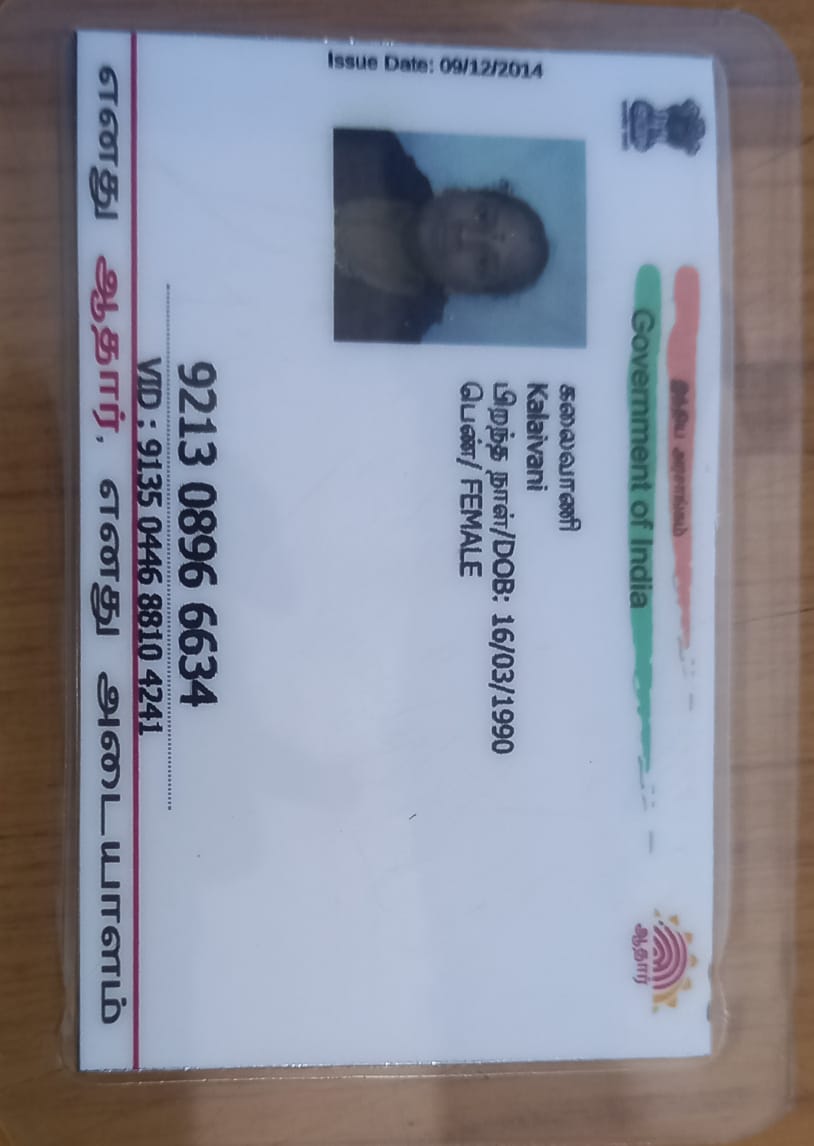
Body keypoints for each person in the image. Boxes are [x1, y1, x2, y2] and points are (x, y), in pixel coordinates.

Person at [334, 129, 550, 343]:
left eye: (483, 262)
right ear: (459, 191)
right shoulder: (371, 148)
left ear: (463, 290)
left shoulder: (390, 339)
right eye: (482, 215)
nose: (465, 235)